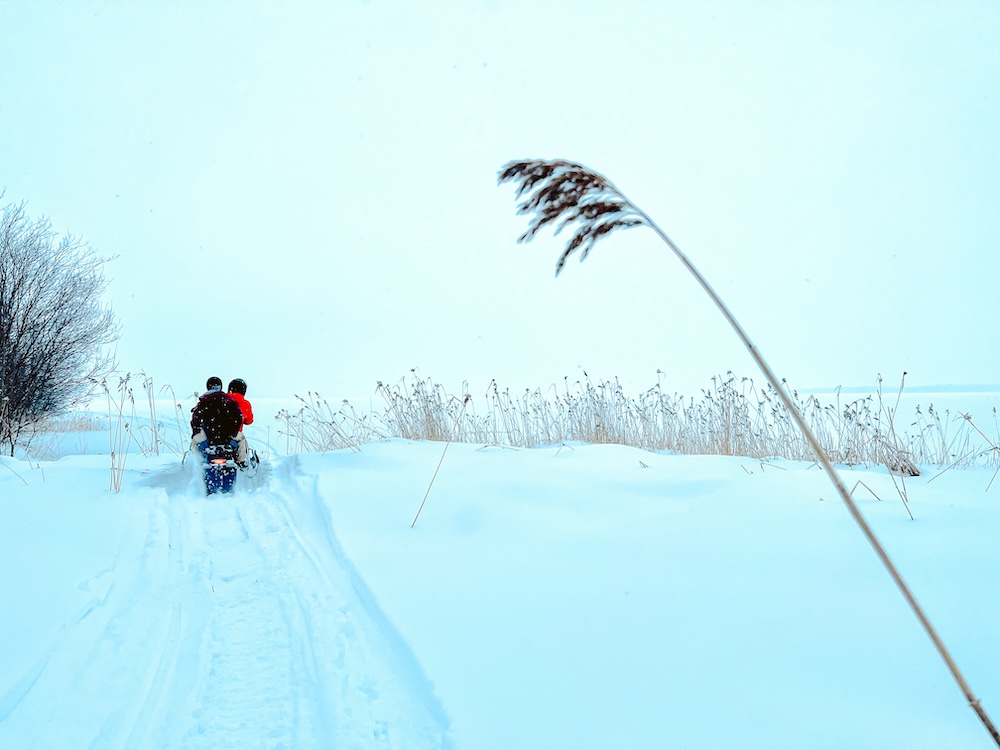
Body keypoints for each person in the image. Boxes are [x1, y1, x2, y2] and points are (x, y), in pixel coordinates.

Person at [190, 376, 244, 460]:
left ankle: (198, 463)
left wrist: (196, 432)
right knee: (241, 439)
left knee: (194, 443)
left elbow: (195, 420)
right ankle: (241, 462)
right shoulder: (228, 400)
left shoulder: (203, 402)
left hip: (208, 436)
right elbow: (238, 417)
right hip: (228, 436)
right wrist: (233, 431)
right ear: (221, 387)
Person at [227, 378, 255, 466]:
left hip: (218, 432)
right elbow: (249, 421)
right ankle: (241, 462)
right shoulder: (245, 403)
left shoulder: (222, 399)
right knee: (242, 441)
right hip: (235, 433)